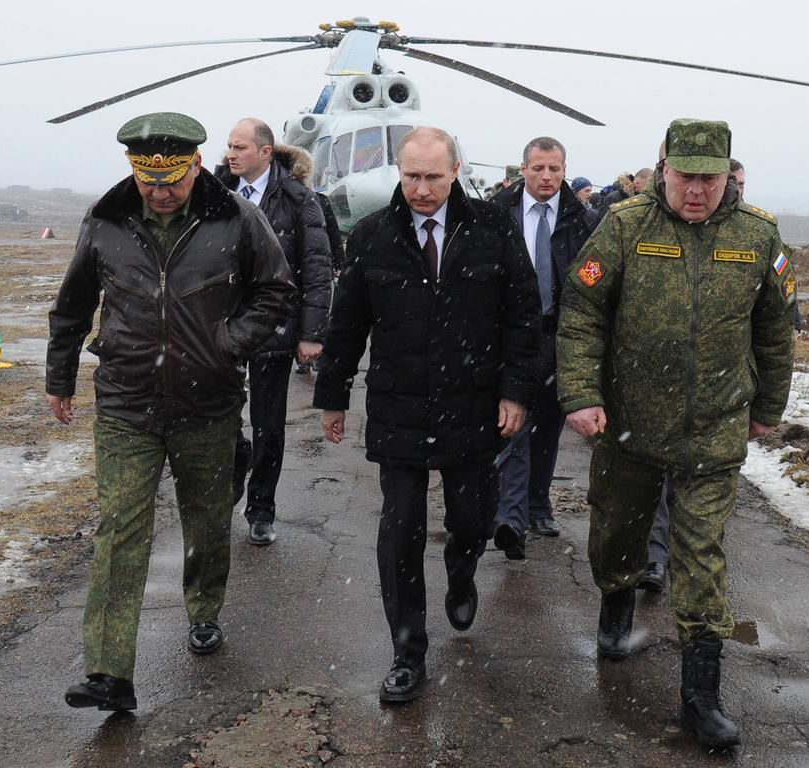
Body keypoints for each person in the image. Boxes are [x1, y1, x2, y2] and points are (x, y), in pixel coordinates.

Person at [557, 118, 796, 747]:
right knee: (617, 534)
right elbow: (581, 313)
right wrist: (581, 394)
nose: (696, 190)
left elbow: (775, 330)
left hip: (714, 430)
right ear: (664, 169)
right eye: (684, 176)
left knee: (700, 557)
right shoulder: (626, 226)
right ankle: (616, 605)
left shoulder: (758, 235)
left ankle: (701, 698)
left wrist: (768, 405)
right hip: (630, 422)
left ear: (726, 175)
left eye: (708, 178)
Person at [48, 112, 295, 712]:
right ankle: (109, 672)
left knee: (206, 520)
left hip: (207, 403)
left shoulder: (237, 219)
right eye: (148, 181)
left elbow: (276, 290)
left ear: (196, 166)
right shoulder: (107, 220)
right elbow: (74, 302)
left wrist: (230, 344)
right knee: (120, 529)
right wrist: (60, 378)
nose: (159, 193)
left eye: (172, 181)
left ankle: (204, 608)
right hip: (126, 402)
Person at [314, 127, 541, 704]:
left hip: (474, 405)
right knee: (400, 530)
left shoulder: (492, 229)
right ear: (399, 170)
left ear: (456, 169)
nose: (420, 188)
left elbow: (522, 316)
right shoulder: (372, 236)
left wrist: (516, 391)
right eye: (411, 176)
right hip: (401, 408)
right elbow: (347, 325)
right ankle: (407, 651)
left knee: (473, 518)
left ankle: (462, 570)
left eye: (432, 177)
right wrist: (333, 396)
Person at [217, 118, 333, 545]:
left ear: (266, 152)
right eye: (229, 146)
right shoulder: (216, 196)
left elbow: (318, 270)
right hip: (222, 328)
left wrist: (312, 332)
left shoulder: (300, 200)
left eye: (241, 147)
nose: (231, 154)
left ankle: (261, 509)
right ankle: (234, 462)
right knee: (222, 415)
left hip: (275, 325)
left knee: (270, 423)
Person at [490, 137, 600, 559]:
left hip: (560, 333)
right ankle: (510, 515)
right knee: (511, 420)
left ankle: (537, 504)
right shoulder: (499, 213)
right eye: (538, 168)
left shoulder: (582, 219)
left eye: (554, 169)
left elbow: (595, 274)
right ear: (524, 170)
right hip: (510, 333)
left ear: (564, 170)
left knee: (549, 425)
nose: (547, 176)